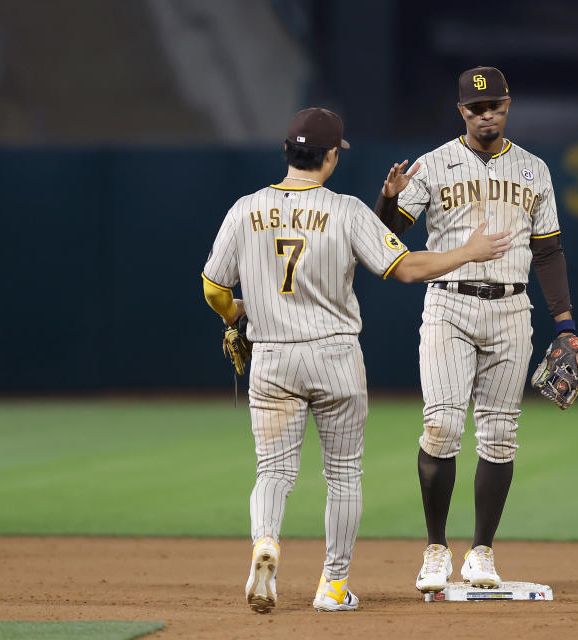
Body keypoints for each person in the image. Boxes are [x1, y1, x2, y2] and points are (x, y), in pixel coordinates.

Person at [201, 107, 512, 613]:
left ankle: (266, 543)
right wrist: (468, 252)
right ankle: (334, 585)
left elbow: (214, 287)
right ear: (328, 157)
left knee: (273, 472)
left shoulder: (245, 208)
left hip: (273, 358)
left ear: (286, 151)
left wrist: (236, 313)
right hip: (335, 358)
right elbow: (407, 268)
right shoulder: (345, 210)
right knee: (342, 475)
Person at [373, 67, 578, 591]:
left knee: (500, 434)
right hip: (449, 304)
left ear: (508, 105)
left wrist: (566, 323)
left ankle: (482, 552)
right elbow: (387, 235)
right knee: (441, 426)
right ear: (461, 111)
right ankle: (436, 549)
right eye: (475, 108)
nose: (486, 114)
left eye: (495, 106)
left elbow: (548, 251)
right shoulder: (434, 164)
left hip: (512, 309)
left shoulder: (535, 170)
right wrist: (389, 199)